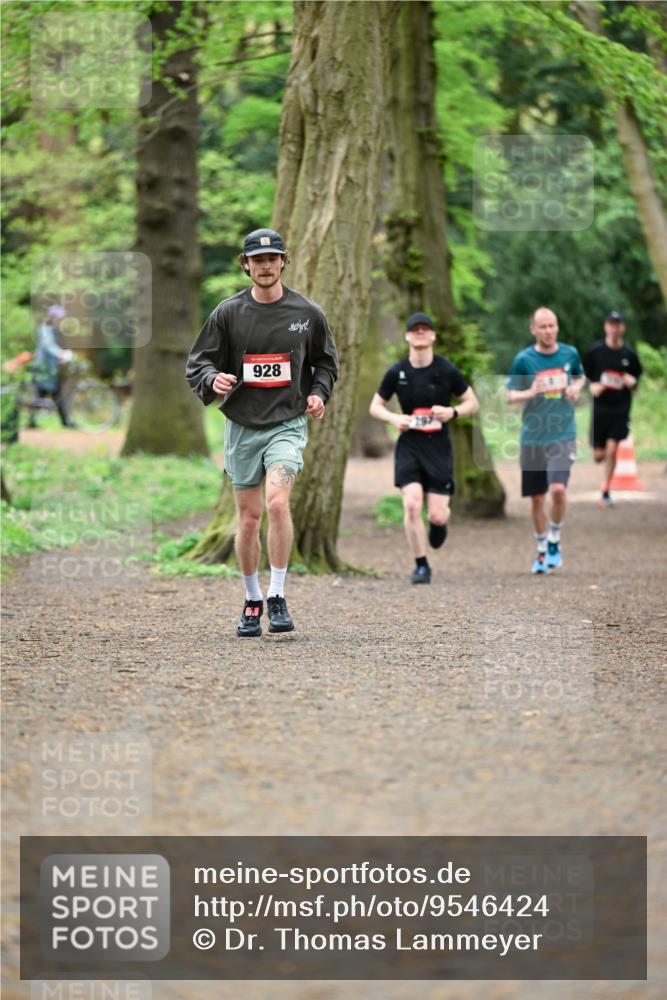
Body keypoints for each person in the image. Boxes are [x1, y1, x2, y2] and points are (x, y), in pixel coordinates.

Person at [186, 228, 338, 637]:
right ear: (246, 265)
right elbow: (198, 363)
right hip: (242, 427)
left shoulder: (307, 313)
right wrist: (213, 379)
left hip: (286, 424)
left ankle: (277, 595)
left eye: (273, 259)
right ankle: (252, 600)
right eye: (258, 260)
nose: (266, 266)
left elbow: (325, 363)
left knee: (276, 503)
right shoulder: (228, 313)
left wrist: (318, 393)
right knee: (249, 519)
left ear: (283, 262)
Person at [369, 312, 479, 584]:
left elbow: (472, 403)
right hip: (410, 446)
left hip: (439, 447)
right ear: (407, 336)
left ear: (432, 336)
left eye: (425, 330)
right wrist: (396, 419)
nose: (420, 334)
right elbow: (375, 406)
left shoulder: (446, 370)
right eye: (415, 330)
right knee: (411, 505)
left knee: (438, 514)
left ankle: (439, 524)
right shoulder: (397, 371)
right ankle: (421, 565)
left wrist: (451, 412)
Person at [506, 307, 585, 574]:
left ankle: (555, 538)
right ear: (533, 330)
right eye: (543, 327)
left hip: (562, 434)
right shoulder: (523, 360)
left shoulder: (569, 353)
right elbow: (509, 396)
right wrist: (529, 392)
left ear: (557, 328)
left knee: (558, 490)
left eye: (552, 326)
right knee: (537, 499)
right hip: (533, 437)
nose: (548, 331)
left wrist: (575, 388)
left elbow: (580, 376)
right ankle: (541, 550)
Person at [583, 311, 642, 507]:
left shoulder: (629, 354)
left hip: (620, 409)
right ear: (606, 327)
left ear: (622, 328)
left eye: (618, 324)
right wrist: (592, 386)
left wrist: (632, 382)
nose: (615, 328)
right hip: (600, 410)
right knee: (599, 455)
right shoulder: (595, 352)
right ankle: (598, 454)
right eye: (611, 324)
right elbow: (583, 377)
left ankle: (605, 490)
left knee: (612, 449)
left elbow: (636, 380)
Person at [33, 305, 73, 427]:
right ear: (52, 317)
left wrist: (61, 358)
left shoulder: (54, 330)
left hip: (52, 369)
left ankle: (65, 422)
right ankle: (64, 422)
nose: (60, 320)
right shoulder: (45, 329)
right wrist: (61, 353)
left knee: (54, 395)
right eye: (58, 318)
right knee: (41, 395)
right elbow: (48, 345)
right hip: (43, 368)